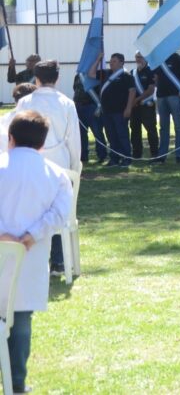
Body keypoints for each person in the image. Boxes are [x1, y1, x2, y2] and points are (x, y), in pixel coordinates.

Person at [0, 110, 74, 395]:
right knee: (20, 321)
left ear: (11, 138)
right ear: (43, 143)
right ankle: (16, 382)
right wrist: (31, 236)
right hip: (29, 257)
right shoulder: (55, 174)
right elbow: (60, 214)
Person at [17, 59, 82, 277]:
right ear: (57, 78)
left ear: (36, 78)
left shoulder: (25, 102)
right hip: (61, 164)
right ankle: (58, 261)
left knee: (31, 212)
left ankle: (35, 260)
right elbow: (74, 139)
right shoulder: (66, 103)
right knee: (58, 211)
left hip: (31, 164)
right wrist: (75, 166)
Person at [89, 52, 135, 167]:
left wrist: (128, 108)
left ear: (121, 62)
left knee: (122, 135)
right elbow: (91, 74)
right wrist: (98, 59)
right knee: (111, 136)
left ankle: (127, 158)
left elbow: (132, 92)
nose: (111, 63)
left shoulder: (126, 75)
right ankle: (114, 158)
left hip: (120, 111)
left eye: (114, 61)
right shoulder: (106, 73)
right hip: (107, 111)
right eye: (110, 61)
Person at [155, 51, 180, 163]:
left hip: (175, 96)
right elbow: (156, 78)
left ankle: (179, 155)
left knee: (178, 127)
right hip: (161, 96)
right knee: (163, 127)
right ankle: (162, 155)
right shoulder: (159, 60)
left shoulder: (179, 59)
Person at [129, 51, 158, 162]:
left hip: (147, 105)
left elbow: (151, 89)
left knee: (151, 130)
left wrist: (137, 99)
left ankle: (154, 154)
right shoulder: (133, 72)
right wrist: (133, 101)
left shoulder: (151, 71)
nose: (138, 59)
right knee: (135, 130)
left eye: (140, 57)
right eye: (136, 57)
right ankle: (137, 154)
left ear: (145, 58)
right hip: (135, 107)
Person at [73, 72, 107, 165]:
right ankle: (83, 156)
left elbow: (100, 91)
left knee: (97, 132)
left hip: (91, 106)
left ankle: (102, 155)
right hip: (79, 106)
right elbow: (75, 89)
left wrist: (99, 107)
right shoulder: (78, 76)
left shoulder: (96, 74)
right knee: (81, 134)